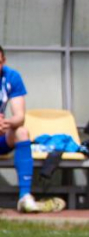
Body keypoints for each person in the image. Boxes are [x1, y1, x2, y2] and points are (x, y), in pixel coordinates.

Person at [0, 47, 63, 213]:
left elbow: (19, 116)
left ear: (4, 61)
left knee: (22, 132)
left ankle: (25, 197)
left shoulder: (11, 77)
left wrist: (6, 124)